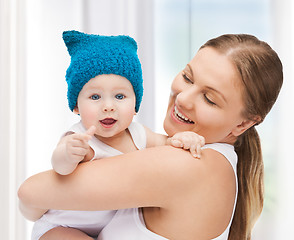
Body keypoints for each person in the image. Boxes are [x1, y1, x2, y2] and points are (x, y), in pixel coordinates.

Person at [18, 33, 283, 240]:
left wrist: (35, 211)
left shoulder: (189, 164)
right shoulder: (213, 163)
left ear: (244, 123)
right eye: (188, 78)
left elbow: (29, 194)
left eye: (209, 99)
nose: (183, 98)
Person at [27, 30, 204, 240]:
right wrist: (68, 154)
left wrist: (183, 139)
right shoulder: (80, 138)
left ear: (135, 105)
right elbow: (59, 165)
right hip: (61, 226)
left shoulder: (138, 134)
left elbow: (167, 144)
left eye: (120, 96)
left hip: (106, 229)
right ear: (76, 106)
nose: (108, 106)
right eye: (95, 96)